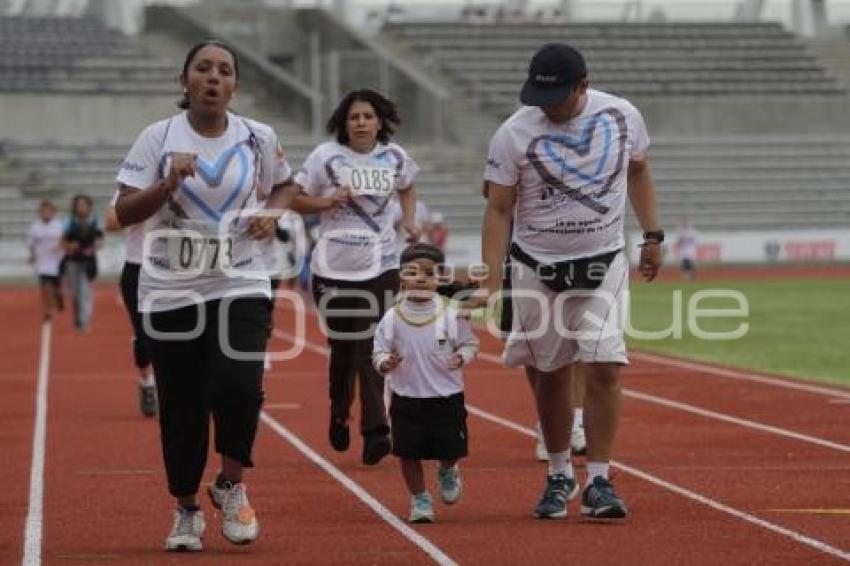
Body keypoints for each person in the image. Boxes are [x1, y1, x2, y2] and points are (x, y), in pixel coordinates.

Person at [466, 43, 662, 520]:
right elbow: (497, 208)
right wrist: (492, 281)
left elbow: (638, 169)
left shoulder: (622, 116)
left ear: (584, 85)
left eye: (556, 98)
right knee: (550, 372)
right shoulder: (514, 133)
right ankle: (558, 473)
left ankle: (599, 479)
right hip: (536, 263)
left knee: (604, 364)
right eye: (538, 97)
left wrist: (653, 233)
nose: (546, 108)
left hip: (603, 260)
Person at [115, 39, 296, 552]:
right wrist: (167, 183)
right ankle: (186, 508)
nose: (214, 78)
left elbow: (286, 185)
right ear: (185, 80)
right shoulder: (157, 138)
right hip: (170, 290)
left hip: (240, 277)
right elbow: (125, 211)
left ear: (234, 85)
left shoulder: (258, 137)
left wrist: (273, 212)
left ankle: (231, 483)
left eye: (224, 71)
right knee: (183, 407)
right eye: (203, 69)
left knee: (240, 386)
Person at [289, 88, 421, 465]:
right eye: (354, 117)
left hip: (380, 266)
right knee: (343, 351)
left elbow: (408, 186)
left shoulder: (394, 158)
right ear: (343, 124)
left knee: (371, 345)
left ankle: (377, 430)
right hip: (332, 269)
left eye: (367, 116)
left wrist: (408, 220)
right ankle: (338, 410)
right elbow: (295, 200)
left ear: (380, 122)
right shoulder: (325, 158)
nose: (361, 122)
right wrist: (327, 201)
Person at [373, 243, 478, 523]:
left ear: (439, 279)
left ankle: (447, 469)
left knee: (450, 450)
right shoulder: (392, 318)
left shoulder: (451, 315)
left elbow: (470, 343)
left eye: (429, 273)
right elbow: (379, 350)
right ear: (401, 278)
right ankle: (419, 498)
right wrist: (385, 363)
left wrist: (461, 356)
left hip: (447, 396)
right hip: (406, 397)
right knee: (408, 453)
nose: (421, 278)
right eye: (413, 272)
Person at [105, 198, 157, 417]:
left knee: (180, 335)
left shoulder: (182, 182)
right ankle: (147, 382)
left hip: (175, 271)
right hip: (138, 270)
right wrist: (146, 205)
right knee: (144, 336)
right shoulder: (131, 189)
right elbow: (111, 223)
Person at [62, 194, 103, 333]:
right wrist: (70, 246)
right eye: (79, 205)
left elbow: (99, 240)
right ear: (74, 207)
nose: (82, 208)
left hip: (88, 261)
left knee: (85, 291)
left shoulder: (95, 221)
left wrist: (94, 247)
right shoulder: (69, 222)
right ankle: (78, 319)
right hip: (72, 261)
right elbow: (62, 242)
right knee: (75, 293)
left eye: (84, 205)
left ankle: (85, 321)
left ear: (89, 206)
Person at [27, 199, 65, 321]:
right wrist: (32, 256)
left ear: (53, 213)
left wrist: (60, 246)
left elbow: (64, 239)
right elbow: (31, 244)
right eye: (43, 211)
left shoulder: (59, 225)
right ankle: (48, 310)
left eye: (48, 211)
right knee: (45, 287)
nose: (46, 214)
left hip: (57, 261)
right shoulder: (35, 227)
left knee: (56, 288)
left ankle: (58, 298)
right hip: (43, 263)